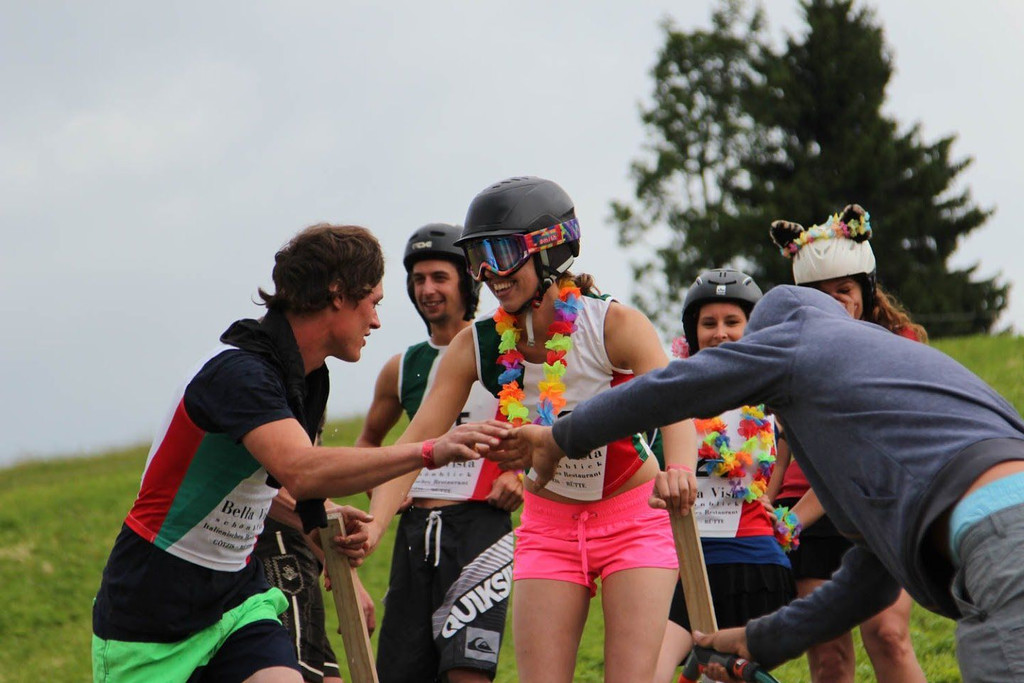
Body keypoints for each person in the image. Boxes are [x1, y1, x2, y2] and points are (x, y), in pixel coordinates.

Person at [497, 271, 1024, 682]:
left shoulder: (796, 341)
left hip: (998, 541)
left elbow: (669, 390)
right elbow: (871, 579)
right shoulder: (889, 366)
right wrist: (761, 642)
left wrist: (562, 437)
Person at [91, 223, 510, 683]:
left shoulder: (308, 378)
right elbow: (303, 471)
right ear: (337, 294)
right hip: (150, 609)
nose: (376, 322)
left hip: (237, 601)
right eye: (373, 303)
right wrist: (429, 450)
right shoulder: (240, 373)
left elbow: (279, 488)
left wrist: (323, 524)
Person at [363, 176, 698, 683]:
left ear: (550, 250)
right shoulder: (476, 344)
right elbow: (416, 444)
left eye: (500, 254)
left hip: (633, 520)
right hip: (548, 526)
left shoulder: (613, 324)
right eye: (477, 258)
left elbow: (676, 404)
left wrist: (681, 470)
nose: (488, 275)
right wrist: (375, 525)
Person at [355, 223, 522, 683]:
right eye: (418, 279)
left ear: (467, 282)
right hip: (414, 531)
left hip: (480, 527)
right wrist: (382, 489)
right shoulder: (401, 366)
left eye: (439, 277)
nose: (427, 290)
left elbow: (546, 424)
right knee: (400, 673)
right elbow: (368, 442)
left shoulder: (505, 348)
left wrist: (519, 478)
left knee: (467, 671)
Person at [767, 205, 926, 682]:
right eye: (820, 294)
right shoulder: (788, 353)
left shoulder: (900, 344)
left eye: (844, 290)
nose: (834, 302)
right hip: (807, 509)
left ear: (865, 291)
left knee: (889, 635)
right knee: (829, 658)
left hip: (880, 503)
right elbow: (782, 441)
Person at [654, 269, 795, 683]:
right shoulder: (670, 393)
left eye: (733, 321)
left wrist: (786, 514)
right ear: (693, 332)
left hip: (753, 566)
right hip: (684, 563)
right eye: (709, 323)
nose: (720, 333)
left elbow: (813, 465)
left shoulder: (774, 394)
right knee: (649, 669)